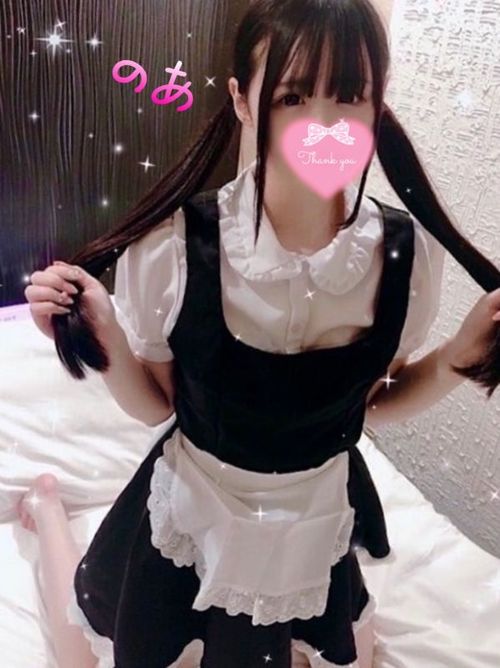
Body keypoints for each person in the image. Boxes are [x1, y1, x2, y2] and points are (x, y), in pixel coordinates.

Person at [22, 0, 500, 667]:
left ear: (378, 103)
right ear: (242, 101)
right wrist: (104, 338)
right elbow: (157, 406)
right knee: (84, 653)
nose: (323, 126)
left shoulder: (406, 258)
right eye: (292, 96)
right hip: (198, 509)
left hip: (313, 517)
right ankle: (47, 510)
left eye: (350, 95)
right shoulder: (175, 249)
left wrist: (454, 360)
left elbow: (367, 407)